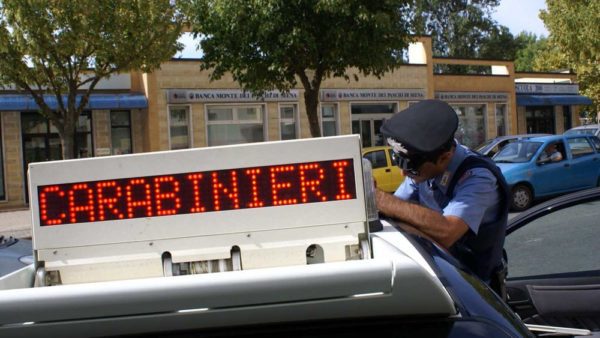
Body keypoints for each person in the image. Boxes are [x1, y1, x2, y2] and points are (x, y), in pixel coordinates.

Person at [375, 99, 510, 297]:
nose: (404, 174)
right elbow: (396, 213)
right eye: (399, 161)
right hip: (441, 280)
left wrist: (381, 200)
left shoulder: (478, 177)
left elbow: (448, 231)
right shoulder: (423, 166)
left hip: (478, 294)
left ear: (444, 158)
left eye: (409, 166)